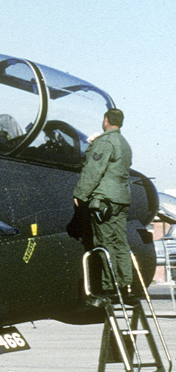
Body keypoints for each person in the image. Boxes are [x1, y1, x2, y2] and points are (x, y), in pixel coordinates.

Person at [73, 108, 133, 297]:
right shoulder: (124, 143)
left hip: (105, 200)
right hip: (121, 200)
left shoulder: (105, 141)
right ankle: (126, 284)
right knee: (121, 242)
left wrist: (80, 194)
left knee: (104, 241)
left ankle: (110, 286)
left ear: (106, 120)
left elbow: (93, 169)